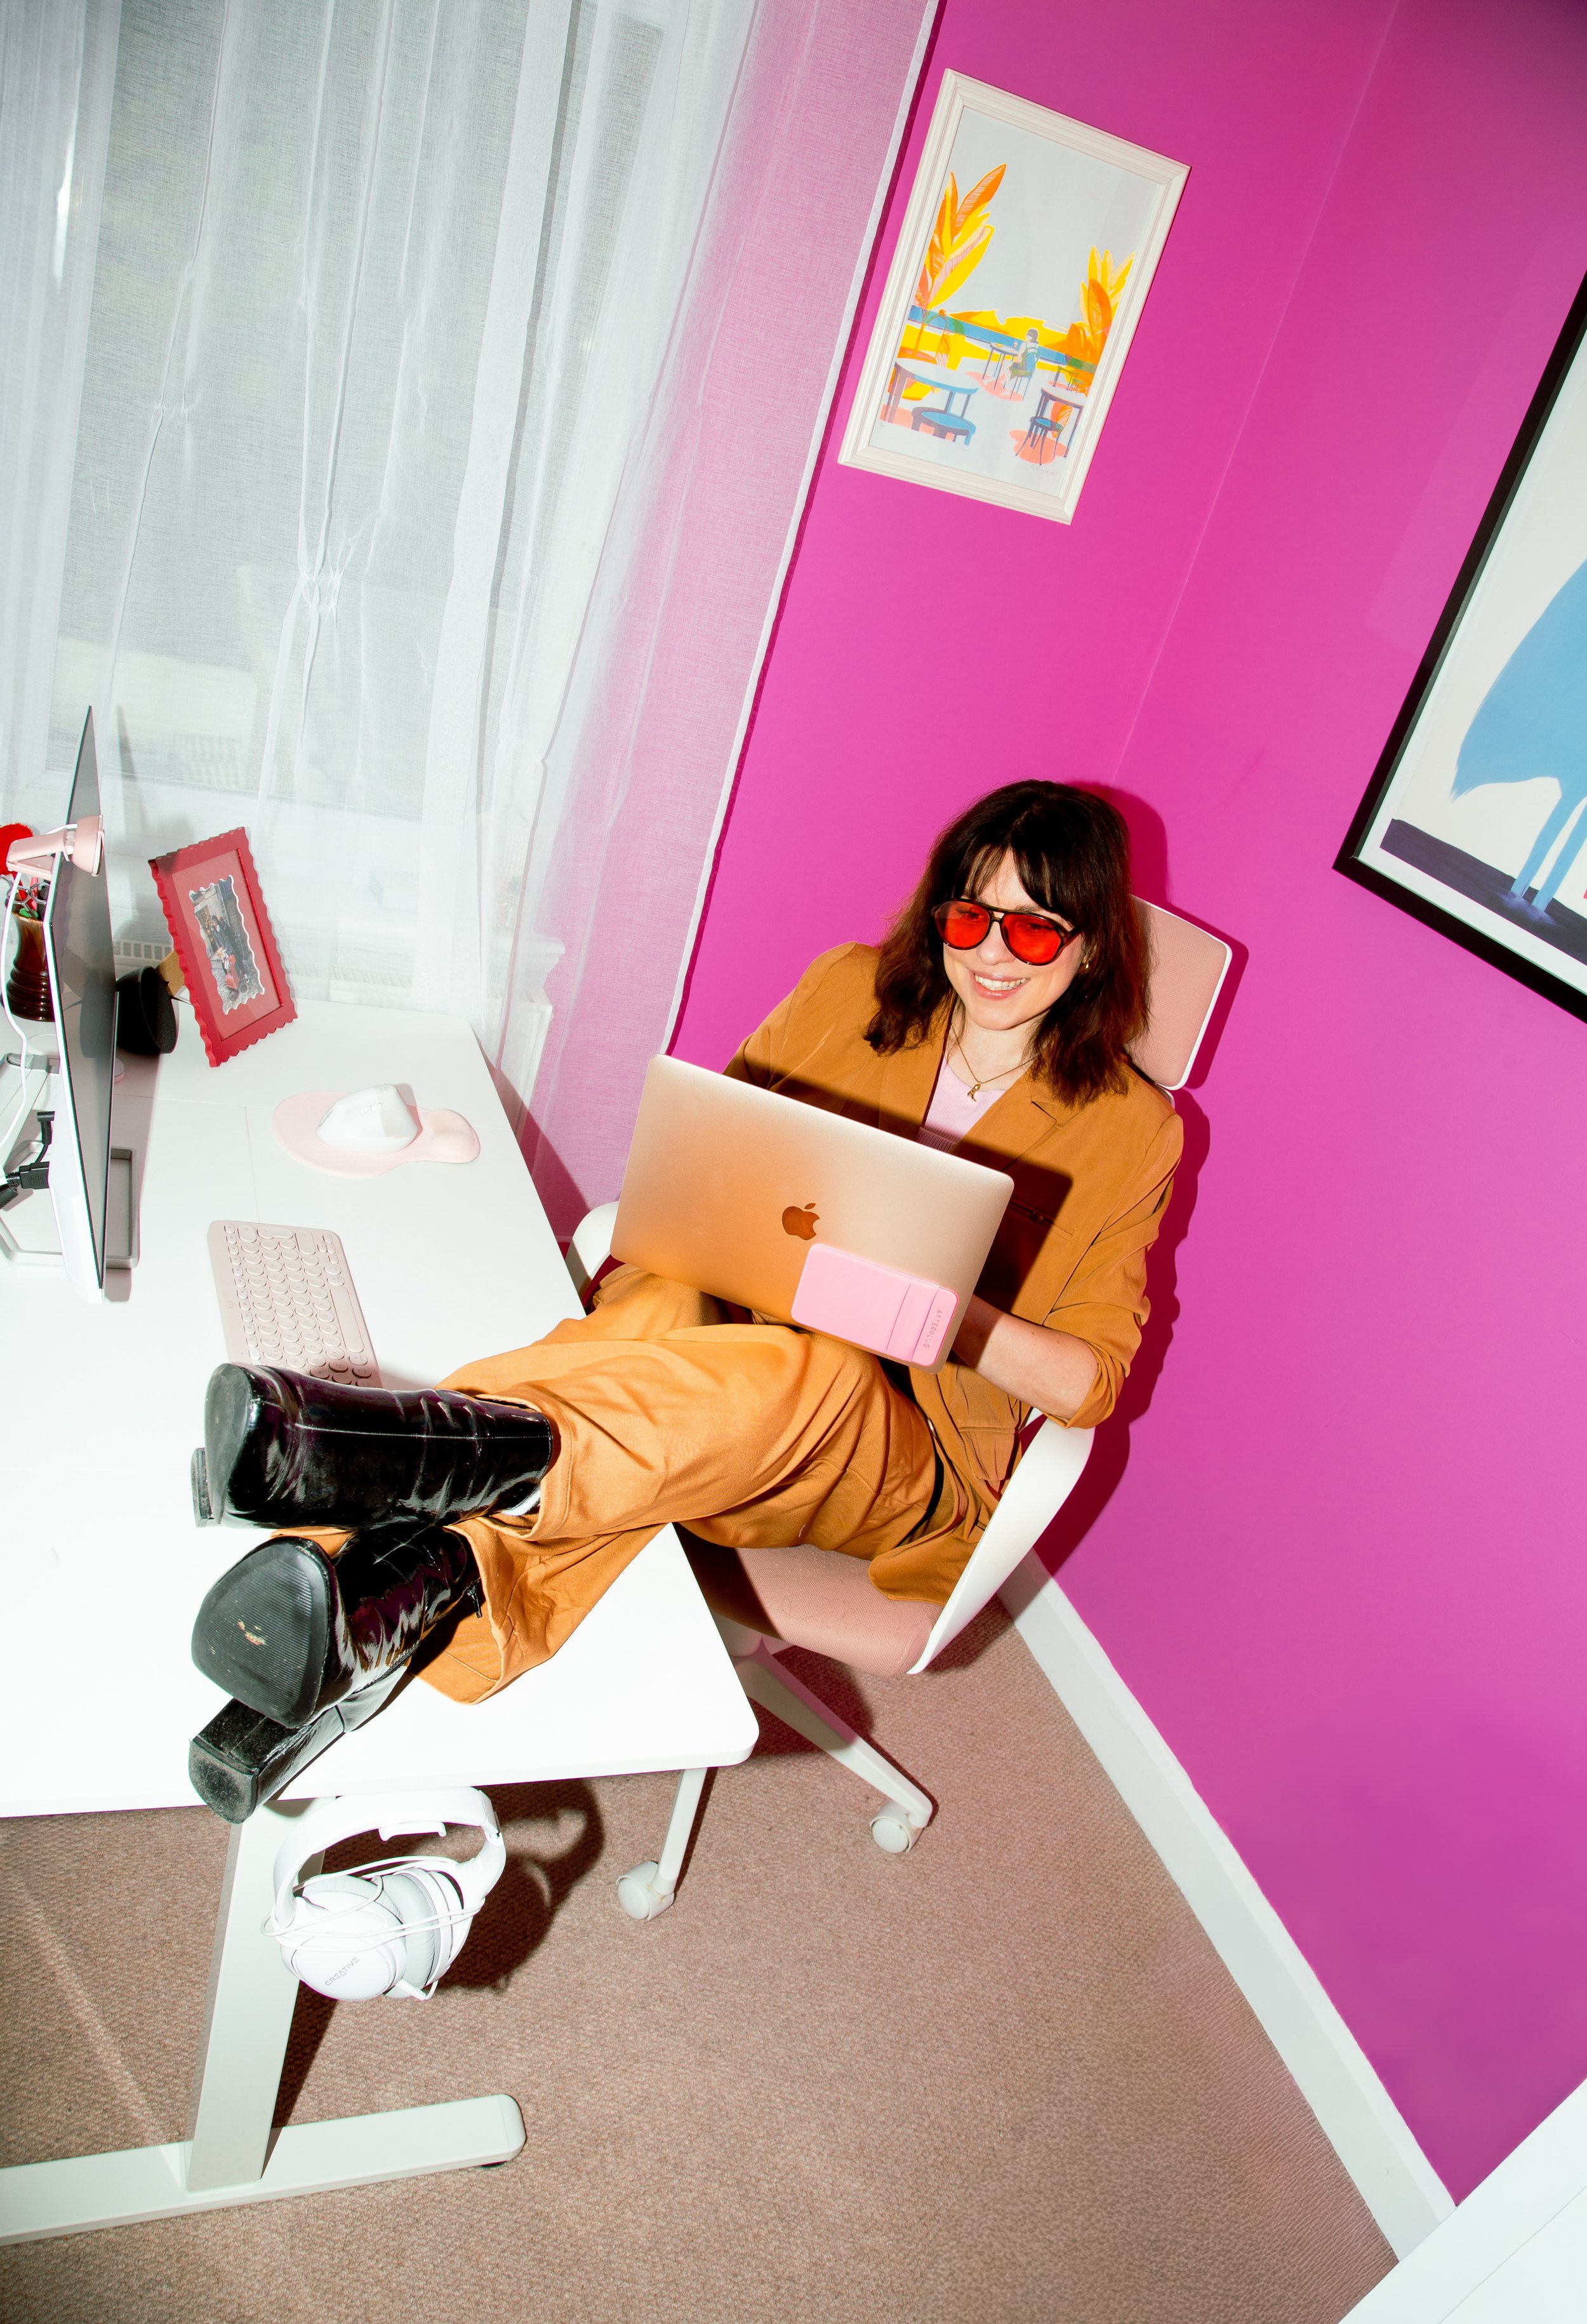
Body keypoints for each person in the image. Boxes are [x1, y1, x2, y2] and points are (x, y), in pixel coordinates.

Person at [187, 782, 1183, 1816]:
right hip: (731, 1338)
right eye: (969, 917)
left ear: (1093, 947)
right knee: (664, 1301)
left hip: (904, 1453)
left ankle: (373, 1467)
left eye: (1030, 930)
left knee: (813, 1371)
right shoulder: (854, 991)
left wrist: (951, 1315)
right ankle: (393, 1593)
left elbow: (1090, 1384)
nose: (989, 955)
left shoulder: (1130, 1129)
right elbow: (707, 1155)